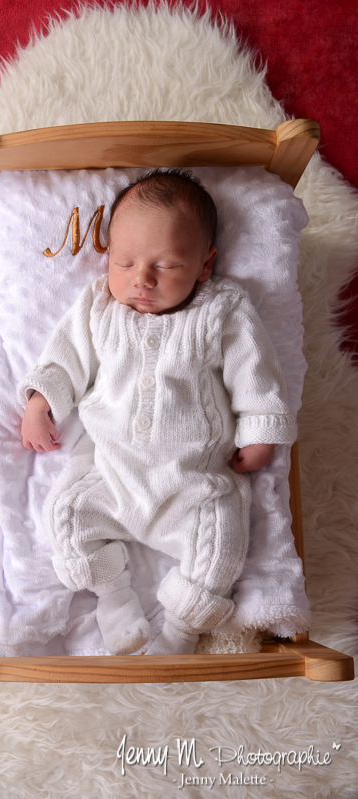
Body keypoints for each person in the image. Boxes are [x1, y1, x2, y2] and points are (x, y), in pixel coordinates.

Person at [18, 169, 297, 656]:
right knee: (64, 513)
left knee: (223, 541)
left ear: (204, 265)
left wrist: (260, 431)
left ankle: (180, 634)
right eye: (124, 262)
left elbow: (256, 373)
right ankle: (114, 598)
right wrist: (41, 402)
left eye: (165, 266)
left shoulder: (222, 310)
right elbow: (65, 358)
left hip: (194, 479)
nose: (140, 279)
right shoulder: (99, 307)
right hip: (110, 469)